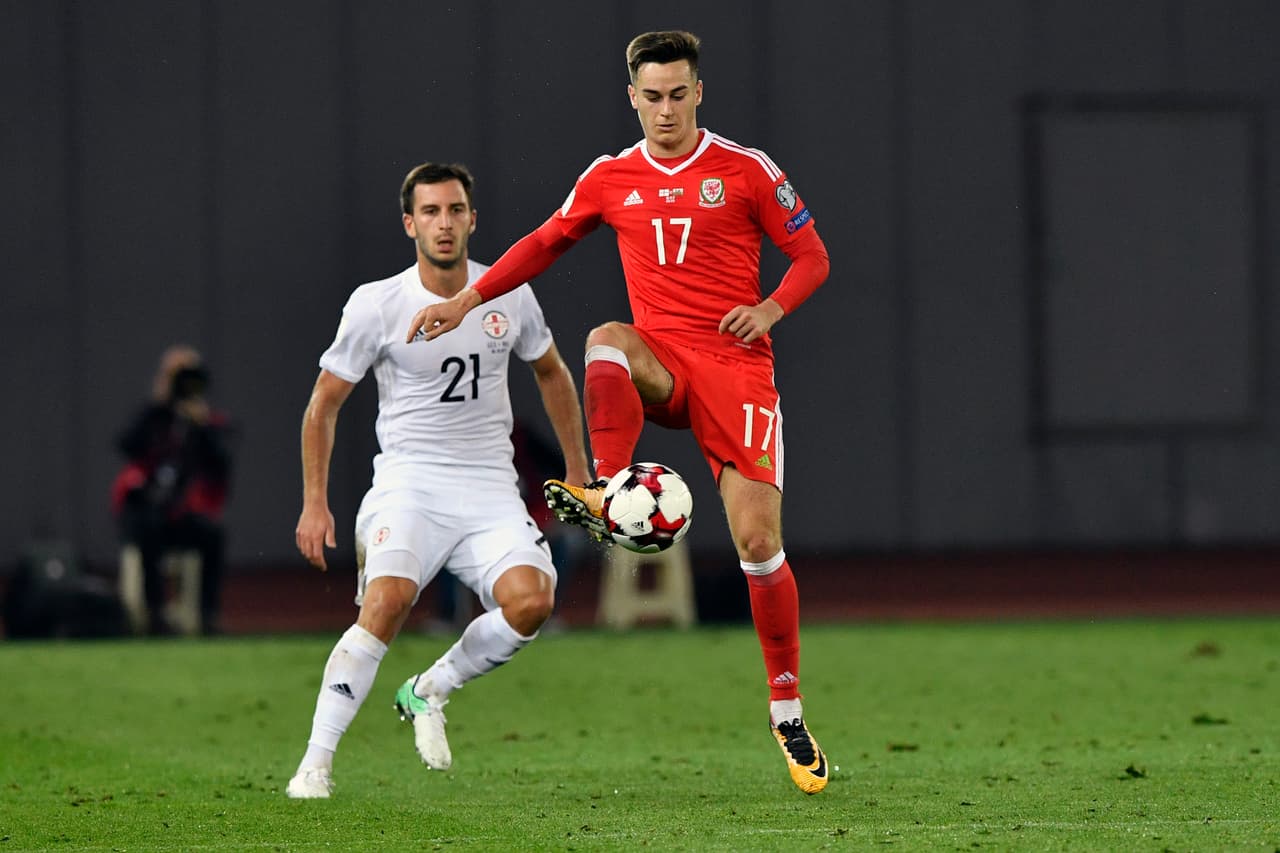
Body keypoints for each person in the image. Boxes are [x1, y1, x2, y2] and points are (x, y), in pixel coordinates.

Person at [404, 31, 832, 795]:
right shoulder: (610, 176)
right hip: (660, 364)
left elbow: (814, 257)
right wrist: (468, 297)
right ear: (631, 98)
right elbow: (545, 241)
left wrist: (768, 309)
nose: (665, 110)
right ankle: (607, 484)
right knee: (605, 338)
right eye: (652, 97)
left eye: (678, 94)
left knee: (760, 543)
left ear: (699, 92)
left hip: (736, 371)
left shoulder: (746, 171)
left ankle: (787, 707)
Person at [286, 162, 590, 799]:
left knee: (533, 602)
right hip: (410, 484)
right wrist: (315, 501)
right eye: (430, 212)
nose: (444, 224)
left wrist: (580, 470)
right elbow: (323, 403)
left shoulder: (508, 291)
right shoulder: (378, 304)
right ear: (409, 224)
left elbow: (554, 374)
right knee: (389, 601)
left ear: (473, 219)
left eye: (455, 211)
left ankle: (429, 689)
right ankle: (315, 764)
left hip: (489, 489)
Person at [111, 345, 234, 635]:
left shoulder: (202, 420)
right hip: (143, 511)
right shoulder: (153, 415)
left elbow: (220, 466)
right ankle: (155, 617)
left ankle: (207, 616)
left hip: (178, 514)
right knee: (149, 528)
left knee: (213, 535)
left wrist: (201, 425)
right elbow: (127, 444)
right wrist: (160, 403)